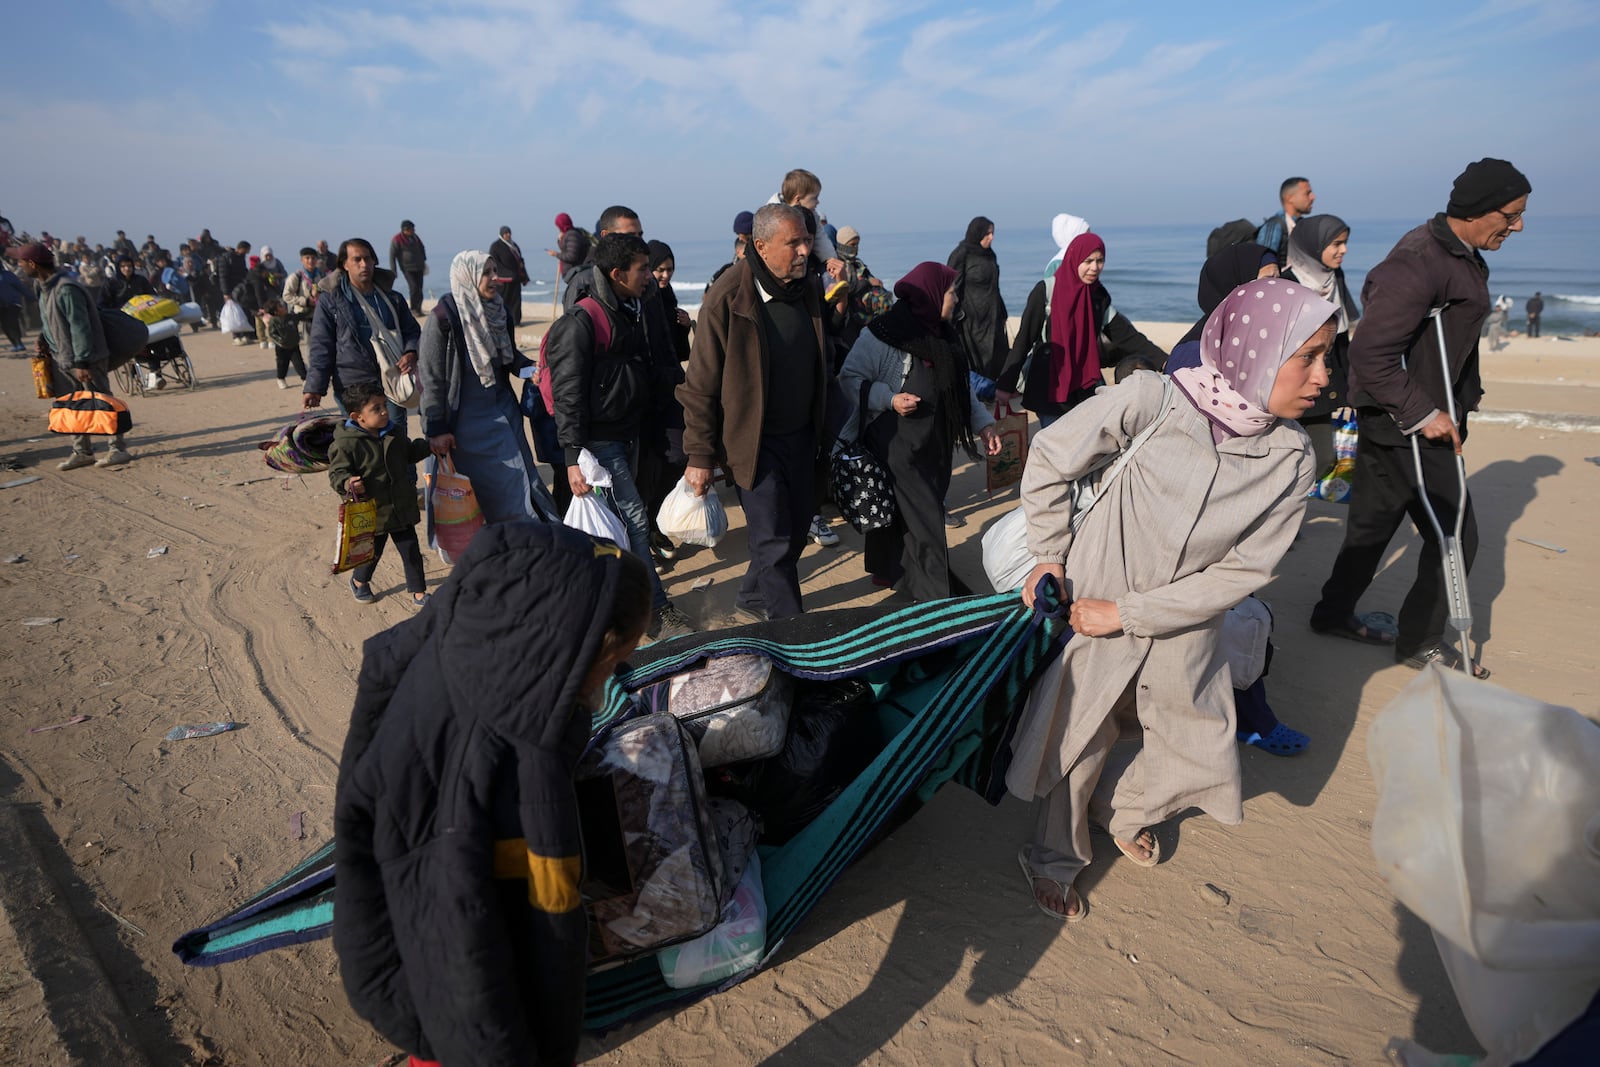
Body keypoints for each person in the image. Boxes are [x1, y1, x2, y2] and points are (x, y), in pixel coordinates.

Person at [1009, 278, 1334, 922]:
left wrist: (1135, 614)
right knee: (1082, 735)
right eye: (1310, 357)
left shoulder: (1291, 457)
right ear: (1256, 353)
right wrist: (1049, 552)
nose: (1325, 376)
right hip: (1090, 605)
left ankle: (1122, 810)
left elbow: (1247, 568)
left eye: (1329, 357)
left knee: (1185, 743)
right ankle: (1054, 858)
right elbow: (1049, 455)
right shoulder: (1153, 400)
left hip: (1184, 626)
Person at [334, 520, 650, 1067]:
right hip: (461, 1022)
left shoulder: (472, 654)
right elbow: (461, 966)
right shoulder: (475, 775)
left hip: (469, 976)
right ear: (569, 651)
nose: (613, 676)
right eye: (613, 662)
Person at [1310, 158, 1531, 677]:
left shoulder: (1460, 253)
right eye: (1511, 214)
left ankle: (1332, 613)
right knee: (1457, 535)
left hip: (1402, 419)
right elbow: (1371, 355)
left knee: (1374, 524)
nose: (1518, 226)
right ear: (1478, 210)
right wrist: (1425, 412)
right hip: (1413, 424)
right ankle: (1420, 641)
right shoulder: (1417, 262)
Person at [679, 204, 828, 621]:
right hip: (752, 443)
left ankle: (751, 597)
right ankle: (793, 636)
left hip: (802, 436)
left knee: (794, 535)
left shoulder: (808, 286)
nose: (803, 250)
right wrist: (699, 456)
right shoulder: (728, 296)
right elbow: (700, 383)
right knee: (774, 543)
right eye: (792, 243)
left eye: (807, 239)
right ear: (760, 246)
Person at [545, 232, 695, 640]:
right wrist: (573, 455)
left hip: (628, 434)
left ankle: (608, 604)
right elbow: (569, 392)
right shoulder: (581, 321)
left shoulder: (631, 307)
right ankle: (657, 612)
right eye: (643, 269)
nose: (651, 275)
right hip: (600, 443)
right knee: (632, 522)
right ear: (617, 274)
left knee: (621, 527)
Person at [837, 262, 1000, 601]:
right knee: (926, 519)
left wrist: (984, 424)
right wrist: (890, 398)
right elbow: (849, 380)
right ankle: (937, 595)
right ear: (930, 293)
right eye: (951, 292)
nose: (956, 298)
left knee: (905, 516)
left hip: (936, 443)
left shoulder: (944, 334)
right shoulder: (883, 333)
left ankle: (889, 569)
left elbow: (962, 389)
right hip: (897, 443)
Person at [418, 250, 556, 524]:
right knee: (478, 495)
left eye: (495, 271)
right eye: (487, 273)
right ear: (467, 276)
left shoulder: (499, 310)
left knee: (522, 482)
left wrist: (529, 369)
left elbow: (508, 356)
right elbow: (430, 375)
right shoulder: (444, 317)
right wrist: (436, 428)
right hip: (463, 426)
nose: (496, 278)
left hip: (502, 414)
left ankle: (532, 541)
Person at [994, 232, 1167, 429]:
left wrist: (1166, 360)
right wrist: (1005, 385)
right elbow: (1024, 339)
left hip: (1085, 384)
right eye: (1088, 261)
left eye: (1100, 260)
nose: (1094, 268)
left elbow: (1127, 336)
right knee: (1055, 446)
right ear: (1074, 259)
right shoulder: (1046, 291)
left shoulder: (1098, 295)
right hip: (1050, 385)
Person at [14, 243, 134, 468]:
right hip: (62, 357)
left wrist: (82, 362)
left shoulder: (67, 288)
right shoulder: (43, 287)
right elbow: (50, 319)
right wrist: (43, 338)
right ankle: (82, 451)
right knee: (71, 405)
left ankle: (118, 448)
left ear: (32, 264)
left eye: (21, 263)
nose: (19, 267)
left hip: (86, 357)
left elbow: (80, 327)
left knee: (103, 401)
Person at [303, 238, 422, 446]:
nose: (363, 265)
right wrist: (314, 386)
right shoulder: (331, 301)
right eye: (356, 260)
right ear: (344, 265)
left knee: (396, 443)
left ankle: (404, 480)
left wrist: (411, 352)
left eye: (367, 259)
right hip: (352, 385)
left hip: (390, 383)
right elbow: (322, 346)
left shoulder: (392, 298)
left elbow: (412, 331)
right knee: (360, 445)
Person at [327, 382, 432, 607]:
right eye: (376, 408)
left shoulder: (392, 432)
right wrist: (348, 482)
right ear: (357, 416)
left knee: (411, 550)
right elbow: (337, 473)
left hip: (401, 505)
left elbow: (409, 453)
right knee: (371, 552)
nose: (384, 411)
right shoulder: (346, 444)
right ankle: (359, 581)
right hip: (373, 511)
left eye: (384, 405)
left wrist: (430, 445)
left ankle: (419, 592)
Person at [1283, 215, 1361, 475]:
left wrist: (1350, 391)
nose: (1344, 250)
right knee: (1287, 460)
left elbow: (1340, 340)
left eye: (1345, 242)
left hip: (1323, 390)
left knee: (1323, 460)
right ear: (1313, 246)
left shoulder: (1334, 278)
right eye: (1337, 244)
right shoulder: (1286, 284)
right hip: (1288, 389)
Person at [948, 216, 1010, 387]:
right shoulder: (961, 254)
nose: (991, 237)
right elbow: (952, 287)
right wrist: (951, 319)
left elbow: (995, 287)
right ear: (978, 233)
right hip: (972, 321)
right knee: (977, 362)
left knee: (999, 358)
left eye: (992, 233)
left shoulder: (990, 255)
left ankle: (994, 395)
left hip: (993, 318)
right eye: (987, 233)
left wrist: (1003, 312)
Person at [768, 168, 844, 278]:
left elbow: (821, 240)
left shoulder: (813, 216)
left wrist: (831, 260)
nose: (818, 202)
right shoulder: (773, 214)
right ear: (798, 199)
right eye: (815, 198)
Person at [1257, 176, 1317, 268]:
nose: (1313, 197)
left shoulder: (1301, 225)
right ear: (1290, 198)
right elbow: (1262, 263)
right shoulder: (1275, 225)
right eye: (1307, 193)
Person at [487, 226, 530, 327]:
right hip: (503, 280)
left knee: (516, 302)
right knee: (503, 301)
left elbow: (520, 261)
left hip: (515, 279)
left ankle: (516, 321)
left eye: (509, 233)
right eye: (506, 233)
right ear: (502, 234)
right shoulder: (496, 246)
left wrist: (524, 276)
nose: (508, 235)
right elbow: (494, 262)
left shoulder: (514, 246)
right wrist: (507, 273)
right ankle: (502, 321)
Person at [264, 298, 307, 389]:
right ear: (276, 312)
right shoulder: (274, 321)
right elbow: (272, 333)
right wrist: (281, 341)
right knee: (282, 364)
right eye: (280, 306)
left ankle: (305, 379)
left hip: (294, 346)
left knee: (299, 364)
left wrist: (310, 306)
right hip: (282, 348)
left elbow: (302, 315)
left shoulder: (290, 317)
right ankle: (281, 379)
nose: (283, 307)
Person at [389, 220, 427, 315]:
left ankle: (418, 309)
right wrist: (393, 270)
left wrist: (424, 259)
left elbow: (422, 248)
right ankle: (413, 308)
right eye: (412, 229)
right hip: (407, 268)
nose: (413, 230)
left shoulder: (415, 238)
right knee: (413, 288)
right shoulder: (397, 239)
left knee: (419, 288)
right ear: (405, 230)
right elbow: (392, 255)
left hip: (419, 267)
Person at [282, 247, 324, 326]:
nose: (310, 261)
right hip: (302, 318)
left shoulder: (321, 276)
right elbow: (286, 296)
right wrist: (305, 301)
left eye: (313, 258)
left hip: (319, 317)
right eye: (307, 258)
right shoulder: (296, 277)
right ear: (301, 260)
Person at [1043, 212, 1091, 276]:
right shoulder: (1057, 264)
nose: (1090, 240)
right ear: (1073, 237)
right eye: (1086, 236)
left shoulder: (1081, 259)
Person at [547, 213, 589, 284]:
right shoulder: (568, 234)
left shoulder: (572, 235)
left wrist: (556, 254)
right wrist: (559, 240)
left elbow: (572, 256)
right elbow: (564, 249)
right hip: (572, 272)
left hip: (574, 272)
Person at [0, 259, 26, 353]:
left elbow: (20, 287)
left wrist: (31, 297)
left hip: (13, 303)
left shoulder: (8, 275)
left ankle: (19, 343)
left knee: (12, 322)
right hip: (1, 305)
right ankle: (15, 344)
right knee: (5, 326)